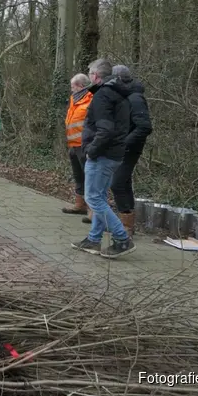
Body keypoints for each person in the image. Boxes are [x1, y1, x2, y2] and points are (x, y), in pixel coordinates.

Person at [71, 58, 135, 258]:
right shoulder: (120, 94)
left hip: (102, 155)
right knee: (99, 196)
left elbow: (105, 129)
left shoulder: (104, 96)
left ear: (96, 76)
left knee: (93, 198)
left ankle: (122, 239)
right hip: (114, 154)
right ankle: (94, 239)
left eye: (90, 73)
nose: (89, 76)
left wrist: (91, 150)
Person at [108, 65, 153, 236]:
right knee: (124, 183)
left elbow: (144, 127)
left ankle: (126, 225)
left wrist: (124, 143)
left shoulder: (135, 98)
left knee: (117, 183)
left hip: (130, 149)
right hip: (121, 147)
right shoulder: (124, 97)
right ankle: (126, 223)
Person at [62, 73, 94, 215]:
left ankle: (92, 209)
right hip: (73, 144)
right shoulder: (74, 100)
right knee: (78, 175)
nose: (71, 89)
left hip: (84, 144)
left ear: (80, 86)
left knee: (89, 176)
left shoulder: (91, 99)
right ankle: (80, 205)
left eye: (72, 86)